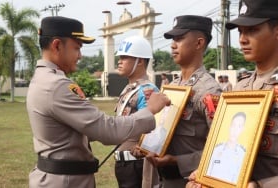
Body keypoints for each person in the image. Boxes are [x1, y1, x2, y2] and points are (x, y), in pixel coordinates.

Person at [26, 16, 170, 188]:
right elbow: (108, 130)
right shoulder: (56, 85)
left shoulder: (43, 79)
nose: (79, 56)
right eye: (76, 48)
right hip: (64, 180)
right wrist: (150, 110)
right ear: (57, 45)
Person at [186, 0, 278, 187]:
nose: (243, 39)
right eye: (240, 31)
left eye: (252, 30)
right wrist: (206, 173)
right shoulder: (239, 90)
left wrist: (261, 186)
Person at [142, 15, 222, 188]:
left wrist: (178, 160)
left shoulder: (209, 91)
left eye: (179, 39)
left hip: (191, 181)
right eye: (172, 39)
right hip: (163, 179)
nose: (172, 45)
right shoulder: (173, 86)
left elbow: (221, 148)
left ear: (199, 43)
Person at [113, 35, 160, 188]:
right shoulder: (130, 87)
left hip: (137, 164)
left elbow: (152, 127)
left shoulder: (147, 90)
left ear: (140, 61)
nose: (119, 61)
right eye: (120, 57)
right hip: (124, 163)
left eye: (125, 57)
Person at [207, 112, 246, 184]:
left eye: (239, 126)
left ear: (242, 129)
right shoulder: (216, 149)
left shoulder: (243, 154)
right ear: (229, 126)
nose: (235, 130)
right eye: (233, 125)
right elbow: (206, 174)